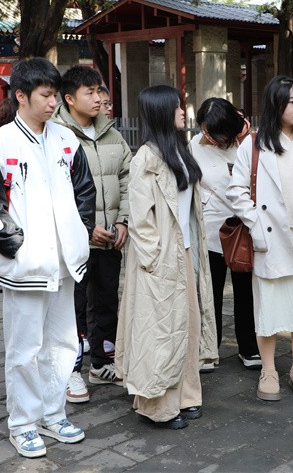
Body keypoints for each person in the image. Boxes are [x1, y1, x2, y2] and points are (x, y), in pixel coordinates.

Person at [0, 57, 95, 457]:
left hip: (64, 263)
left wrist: (78, 236)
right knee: (24, 350)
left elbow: (85, 192)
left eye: (54, 95)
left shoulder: (66, 140)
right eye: (45, 95)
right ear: (21, 96)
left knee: (62, 344)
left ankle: (53, 413)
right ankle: (23, 423)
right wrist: (17, 249)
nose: (52, 103)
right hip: (25, 266)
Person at [226, 76, 293, 402]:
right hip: (272, 238)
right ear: (275, 104)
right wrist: (256, 225)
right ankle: (269, 369)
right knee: (269, 306)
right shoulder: (254, 144)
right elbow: (237, 191)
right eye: (290, 102)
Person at [115, 85, 218, 430]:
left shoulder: (178, 150)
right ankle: (158, 407)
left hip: (184, 253)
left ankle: (186, 396)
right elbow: (140, 220)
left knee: (187, 327)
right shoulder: (145, 158)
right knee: (159, 333)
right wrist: (155, 260)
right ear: (161, 111)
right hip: (159, 261)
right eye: (176, 107)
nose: (182, 112)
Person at [52, 66, 131, 404]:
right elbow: (55, 191)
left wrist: (123, 220)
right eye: (90, 92)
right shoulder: (55, 135)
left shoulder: (112, 134)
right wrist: (86, 228)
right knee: (73, 307)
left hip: (110, 239)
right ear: (70, 98)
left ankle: (102, 362)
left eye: (100, 91)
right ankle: (70, 370)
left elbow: (128, 178)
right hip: (75, 242)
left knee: (107, 302)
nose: (99, 98)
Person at [189, 97, 261, 370]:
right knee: (210, 291)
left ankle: (249, 347)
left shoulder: (250, 143)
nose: (207, 136)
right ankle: (209, 347)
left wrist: (243, 142)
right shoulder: (195, 145)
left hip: (242, 227)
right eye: (205, 130)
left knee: (246, 291)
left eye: (213, 133)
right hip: (211, 227)